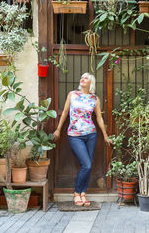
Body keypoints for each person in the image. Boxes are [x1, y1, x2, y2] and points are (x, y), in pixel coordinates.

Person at [53, 72, 112, 206]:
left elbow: (98, 117)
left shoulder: (95, 99)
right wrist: (58, 129)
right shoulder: (72, 94)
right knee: (87, 164)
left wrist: (105, 135)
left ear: (91, 82)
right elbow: (66, 112)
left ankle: (83, 193)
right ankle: (76, 192)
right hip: (75, 135)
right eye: (82, 77)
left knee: (88, 165)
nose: (82, 79)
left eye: (86, 78)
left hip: (91, 134)